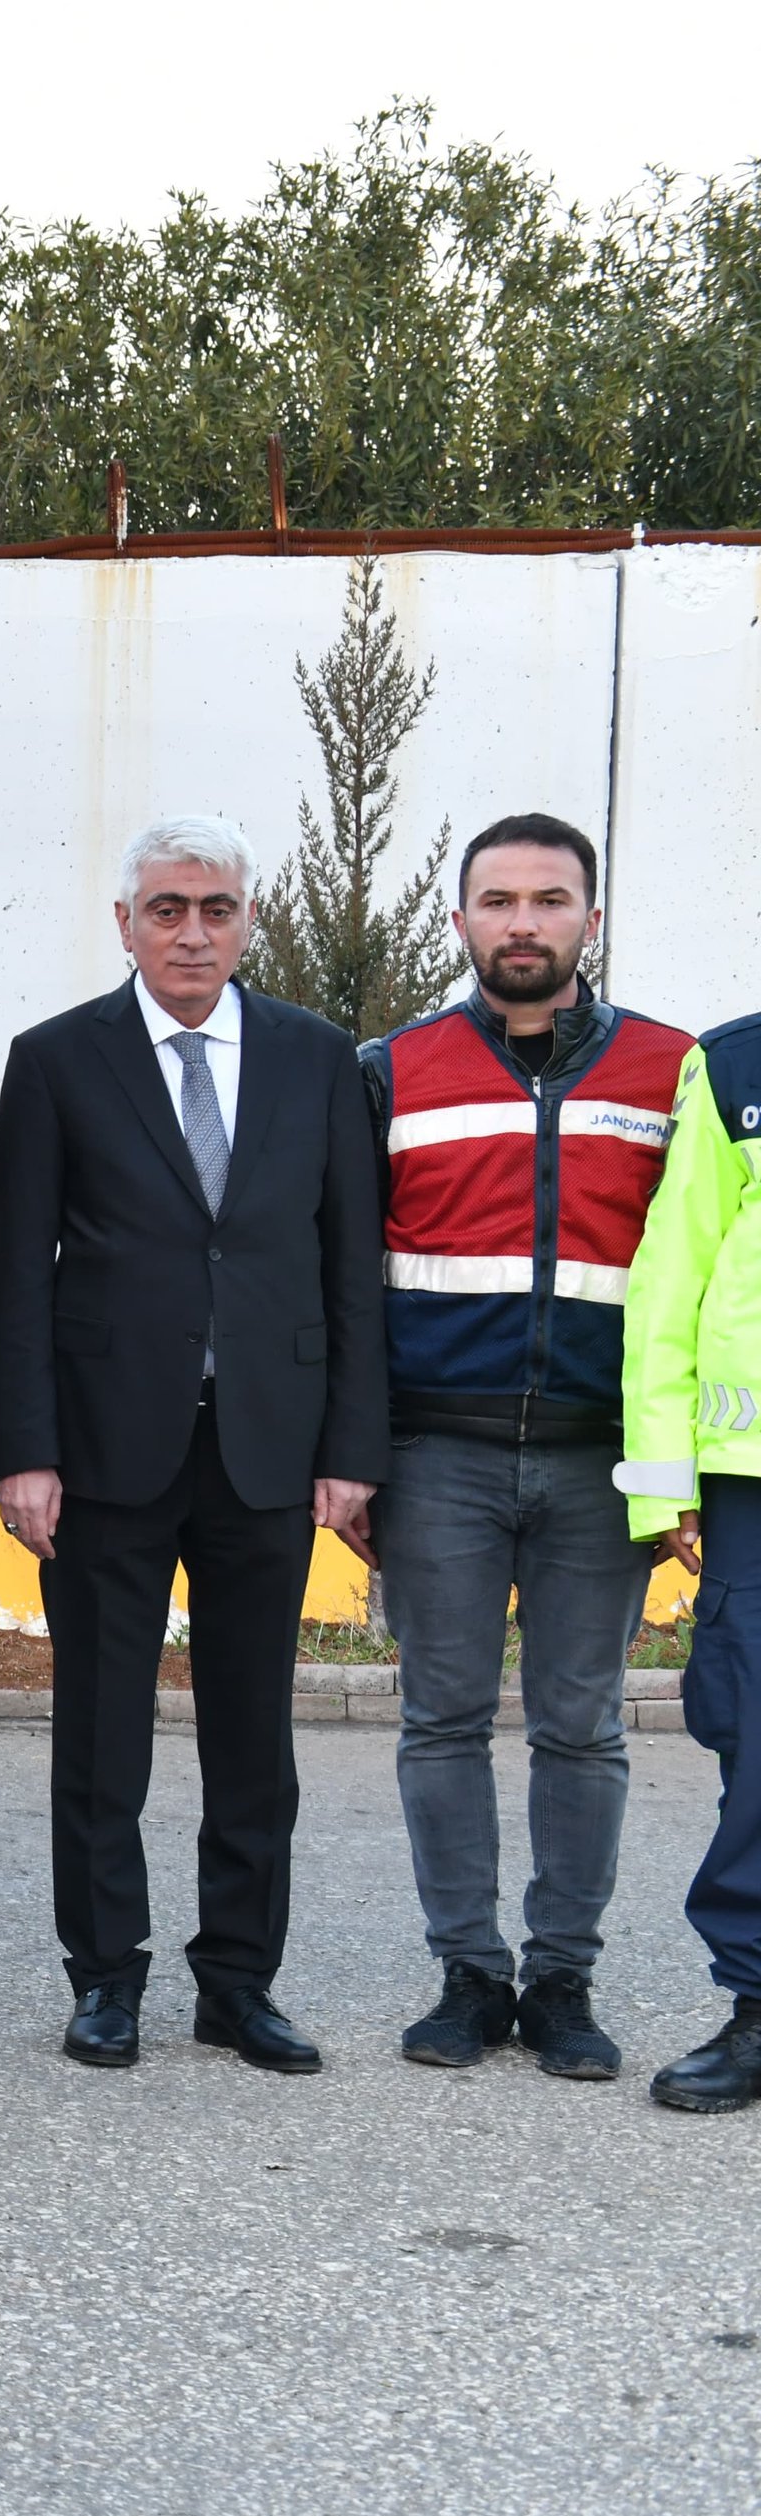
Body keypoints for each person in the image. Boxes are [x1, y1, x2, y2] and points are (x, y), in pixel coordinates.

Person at [0, 813, 385, 2074]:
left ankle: (238, 1983)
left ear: (248, 919)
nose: (193, 931)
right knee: (100, 1733)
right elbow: (17, 1274)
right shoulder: (55, 1061)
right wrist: (26, 1449)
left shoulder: (320, 1060)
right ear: (125, 925)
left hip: (269, 1444)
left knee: (253, 1739)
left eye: (215, 907)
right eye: (167, 908)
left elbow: (349, 1269)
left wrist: (350, 1447)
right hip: (105, 1449)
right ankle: (104, 1979)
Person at [361, 814, 688, 2081]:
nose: (522, 922)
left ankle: (561, 1981)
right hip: (435, 1451)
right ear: (459, 921)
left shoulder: (671, 1071)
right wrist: (360, 1456)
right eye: (496, 900)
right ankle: (465, 1974)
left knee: (584, 1727)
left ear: (588, 921)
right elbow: (352, 1279)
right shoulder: (391, 1069)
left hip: (599, 1458)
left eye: (549, 900)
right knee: (438, 1720)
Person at [617, 1003, 761, 2113]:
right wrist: (662, 1482)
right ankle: (758, 2007)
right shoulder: (735, 1064)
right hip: (752, 1482)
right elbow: (671, 1276)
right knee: (755, 1746)